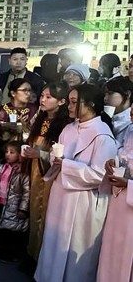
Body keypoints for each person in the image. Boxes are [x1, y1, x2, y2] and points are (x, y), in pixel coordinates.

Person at [35, 84, 118, 282]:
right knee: (55, 241)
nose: (69, 107)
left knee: (75, 248)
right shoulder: (69, 128)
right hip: (61, 195)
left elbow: (100, 175)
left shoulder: (103, 135)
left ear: (89, 104)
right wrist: (57, 162)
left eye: (74, 102)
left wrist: (67, 166)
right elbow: (60, 159)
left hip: (84, 202)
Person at [21, 82, 71, 263]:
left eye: (49, 97)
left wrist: (39, 153)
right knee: (34, 209)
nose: (43, 99)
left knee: (44, 212)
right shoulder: (40, 118)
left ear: (61, 102)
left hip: (50, 173)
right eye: (42, 96)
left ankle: (39, 257)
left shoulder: (66, 125)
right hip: (36, 168)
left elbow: (62, 153)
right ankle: (31, 250)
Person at [0, 141, 30, 263]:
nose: (8, 154)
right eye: (6, 152)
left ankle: (8, 254)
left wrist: (23, 209)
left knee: (10, 232)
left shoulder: (23, 172)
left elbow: (26, 192)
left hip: (13, 206)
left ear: (20, 155)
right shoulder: (1, 166)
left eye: (12, 152)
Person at [96, 130, 133, 282]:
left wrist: (128, 184)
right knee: (110, 255)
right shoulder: (130, 131)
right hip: (118, 205)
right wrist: (113, 163)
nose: (131, 112)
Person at [103, 76, 133, 147]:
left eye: (110, 93)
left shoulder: (130, 123)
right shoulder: (109, 119)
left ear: (128, 94)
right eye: (105, 94)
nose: (105, 98)